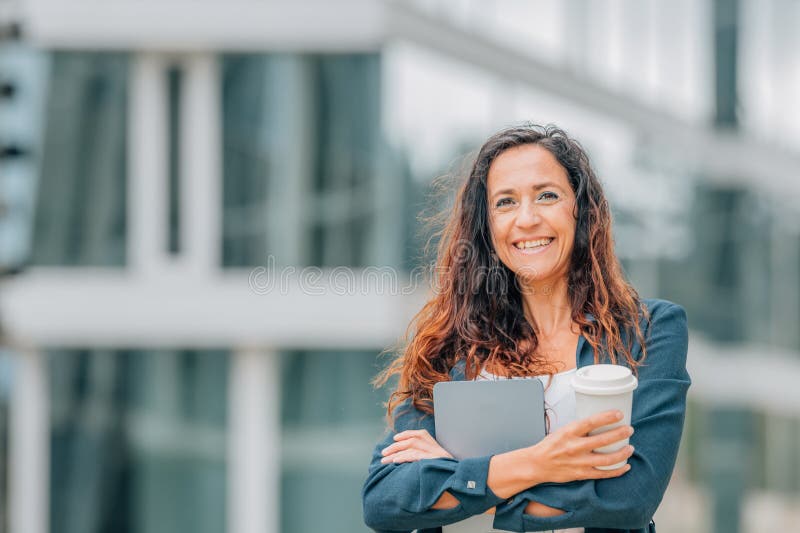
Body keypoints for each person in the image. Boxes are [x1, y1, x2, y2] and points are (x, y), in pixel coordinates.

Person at [361, 124, 690, 533]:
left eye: (546, 195)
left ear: (581, 209)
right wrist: (541, 463)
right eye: (506, 202)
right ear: (488, 225)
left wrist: (462, 480)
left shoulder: (647, 330)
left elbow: (629, 499)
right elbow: (384, 500)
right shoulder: (453, 344)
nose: (527, 218)